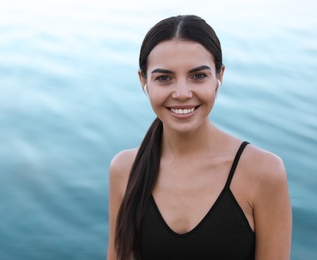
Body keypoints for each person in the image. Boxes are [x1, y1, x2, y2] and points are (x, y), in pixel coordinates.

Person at [107, 15, 292, 260]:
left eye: (198, 76)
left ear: (219, 76)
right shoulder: (125, 169)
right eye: (164, 78)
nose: (182, 93)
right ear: (144, 82)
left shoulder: (264, 172)